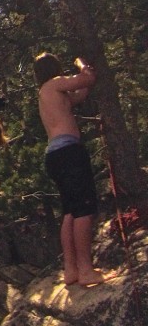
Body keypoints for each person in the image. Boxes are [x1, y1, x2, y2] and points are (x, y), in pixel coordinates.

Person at [34, 52, 108, 287]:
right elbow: (87, 80)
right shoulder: (54, 84)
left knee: (69, 212)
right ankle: (86, 269)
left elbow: (80, 94)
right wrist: (82, 63)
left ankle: (71, 269)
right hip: (69, 153)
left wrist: (84, 78)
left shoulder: (49, 93)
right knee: (83, 210)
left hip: (56, 155)